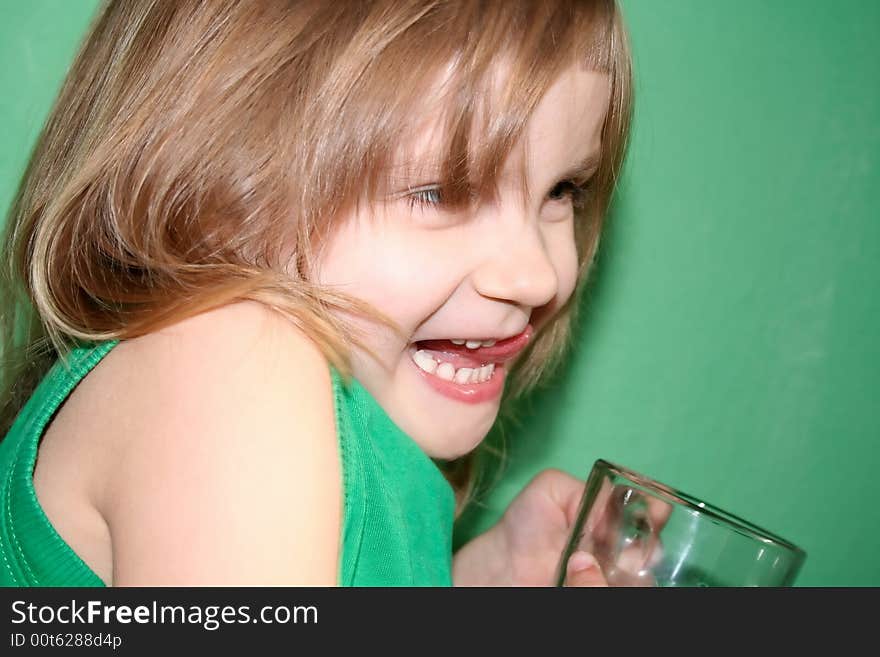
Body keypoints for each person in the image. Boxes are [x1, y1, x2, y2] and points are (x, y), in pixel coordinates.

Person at [0, 0, 631, 587]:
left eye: (563, 190)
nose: (537, 277)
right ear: (217, 191)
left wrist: (484, 579)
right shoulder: (230, 365)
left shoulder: (332, 423)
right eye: (439, 192)